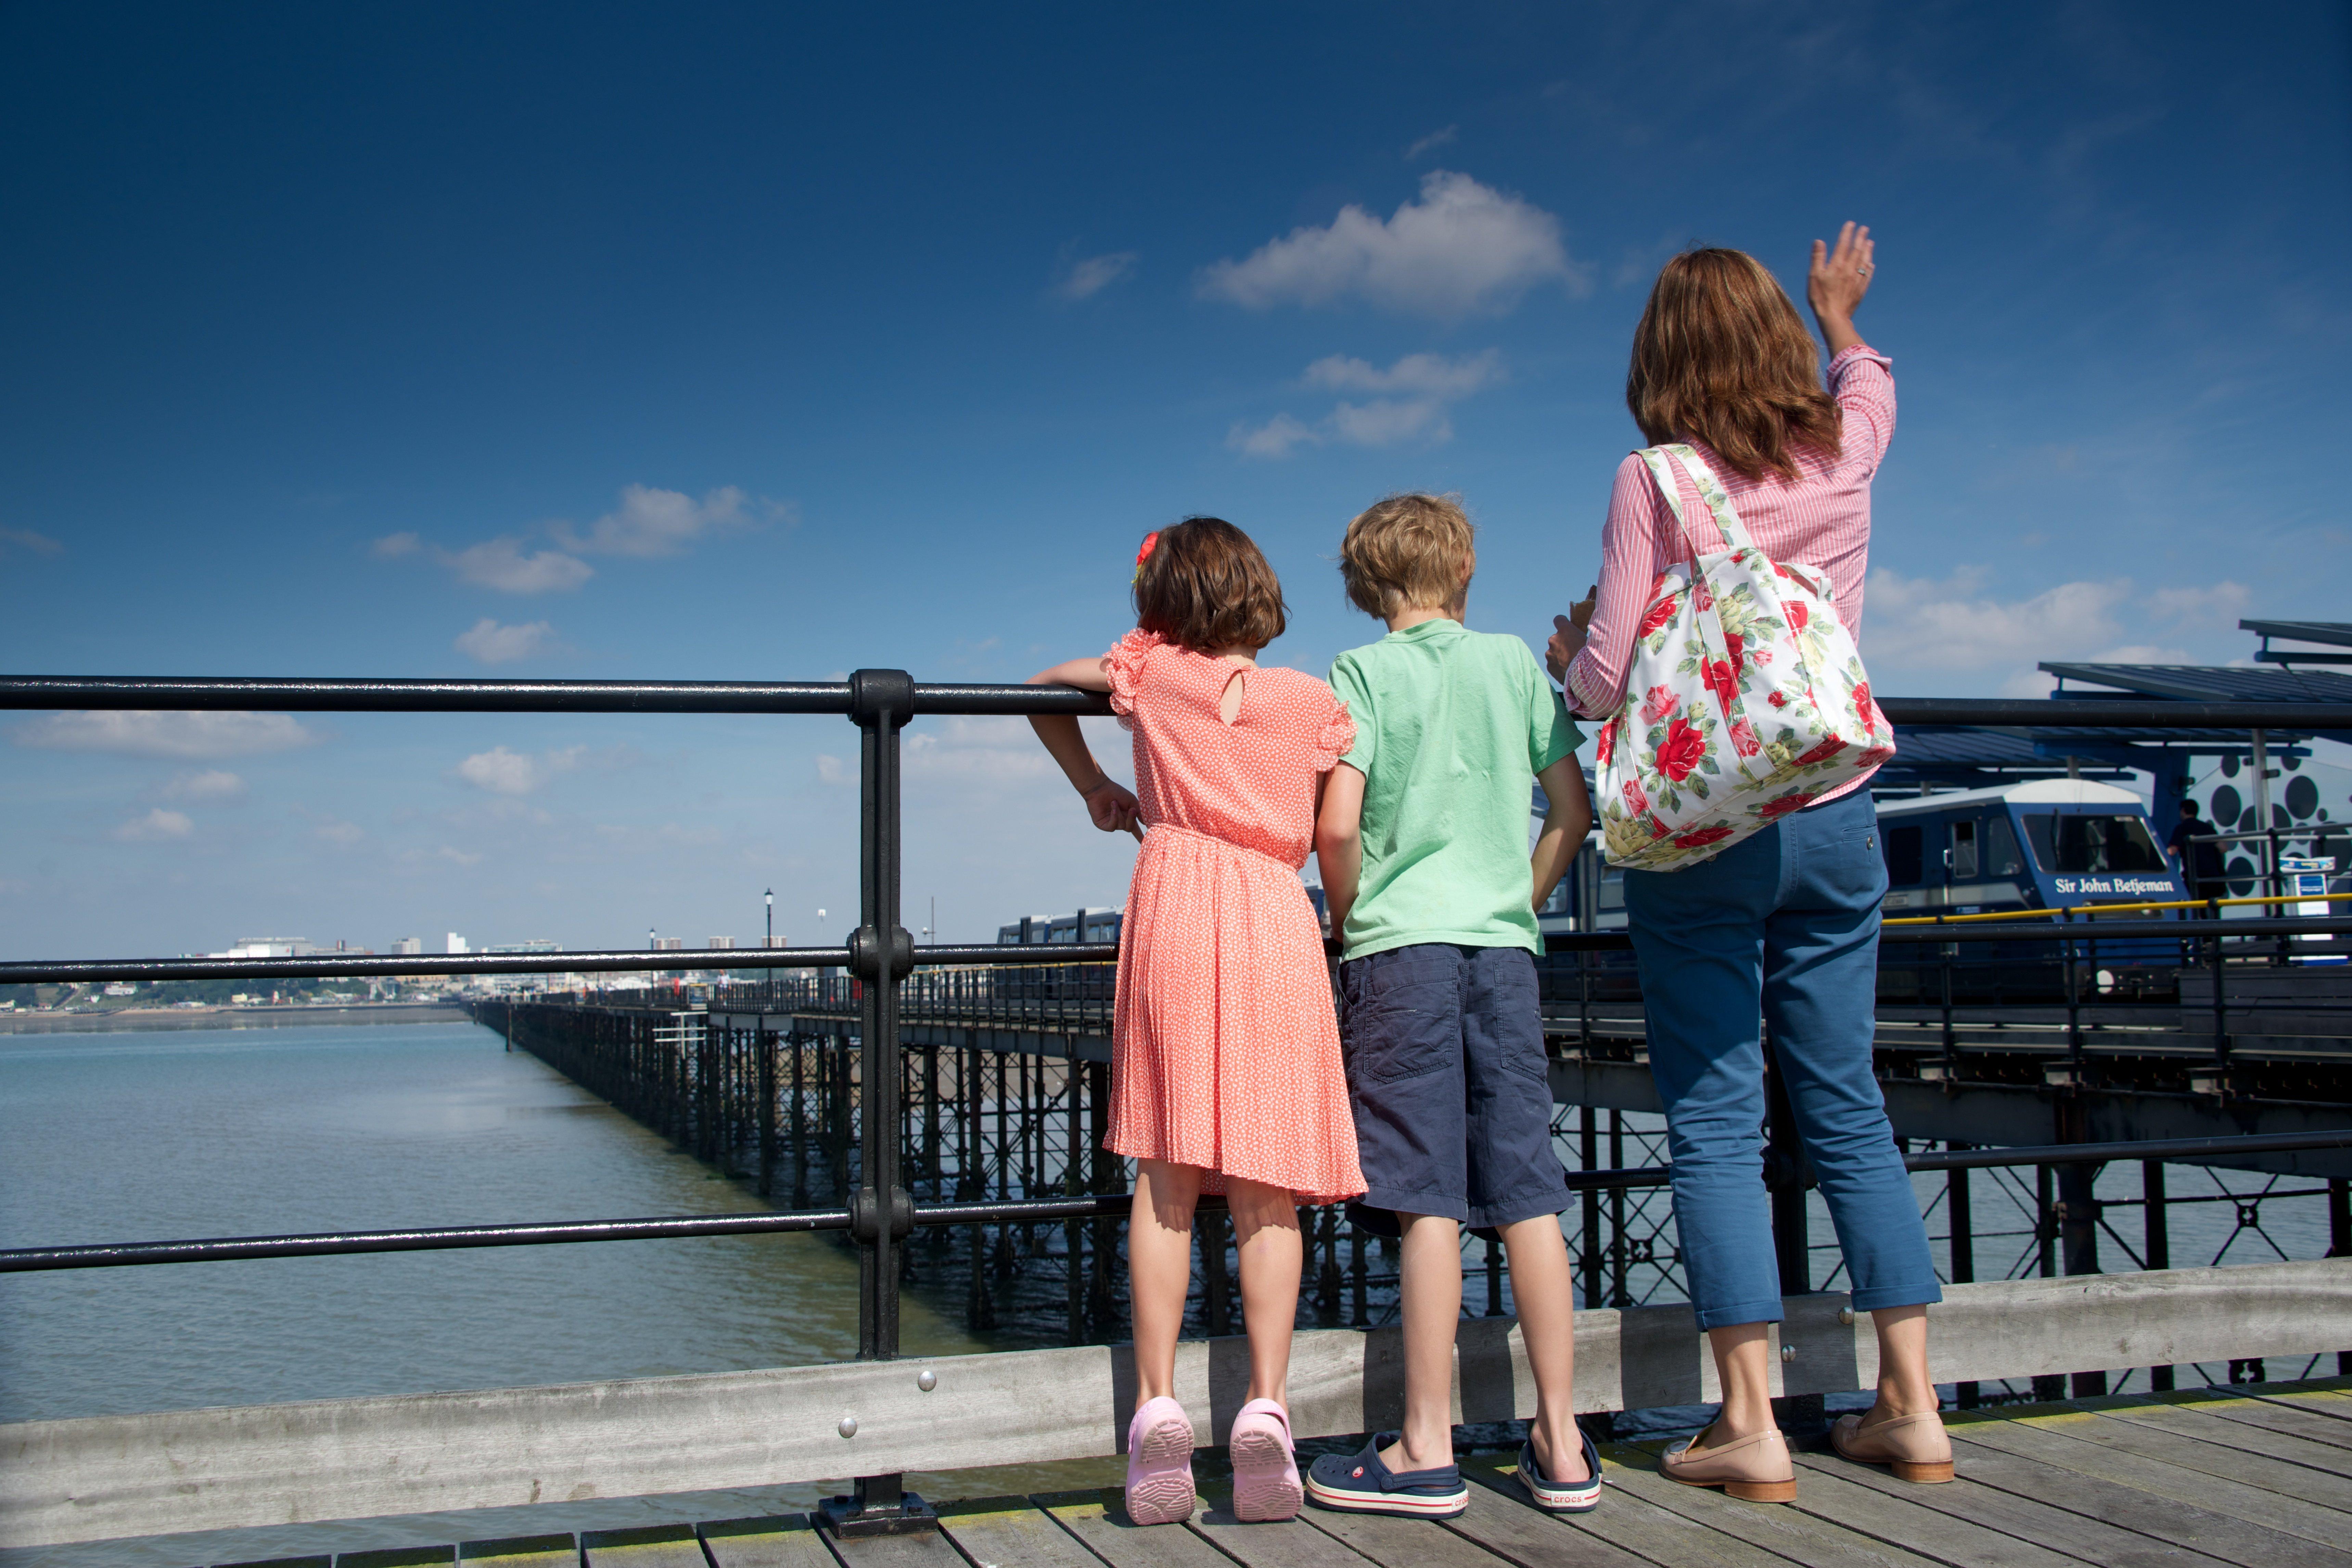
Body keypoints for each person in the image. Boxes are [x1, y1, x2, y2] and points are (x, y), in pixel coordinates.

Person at [1545, 226, 1951, 1503]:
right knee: (1845, 1100)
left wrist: (1567, 657)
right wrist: (1840, 316)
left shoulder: (1653, 479)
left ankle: (1745, 1423)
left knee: (1716, 1115)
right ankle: (1910, 1406)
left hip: (1703, 828)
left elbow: (1607, 674)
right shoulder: (1843, 451)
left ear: (1658, 360)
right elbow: (1870, 391)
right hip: (1834, 807)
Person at [1027, 516, 1363, 1526]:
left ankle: (1157, 1405)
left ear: (1163, 603)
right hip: (1273, 908)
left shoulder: (1153, 674)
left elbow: (1044, 688)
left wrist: (1095, 785)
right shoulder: (1312, 701)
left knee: (1166, 1173)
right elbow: (1337, 829)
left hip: (1174, 895)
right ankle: (1266, 1405)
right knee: (1268, 1183)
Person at [1303, 493, 1600, 1519]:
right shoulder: (1514, 663)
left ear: (1362, 586)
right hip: (1500, 949)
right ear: (1464, 567)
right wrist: (1519, 899)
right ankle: (1560, 1442)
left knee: (1424, 1192)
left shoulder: (1359, 673)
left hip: (1401, 953)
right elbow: (1570, 810)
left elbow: (1336, 829)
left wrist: (1355, 919)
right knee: (1525, 1188)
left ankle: (1424, 1447)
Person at [2169, 799, 2226, 910]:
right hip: (2213, 878)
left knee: (2194, 909)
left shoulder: (2182, 828)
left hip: (2195, 879)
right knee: (2212, 909)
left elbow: (2172, 851)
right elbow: (2223, 848)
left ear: (2183, 811)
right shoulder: (2207, 828)